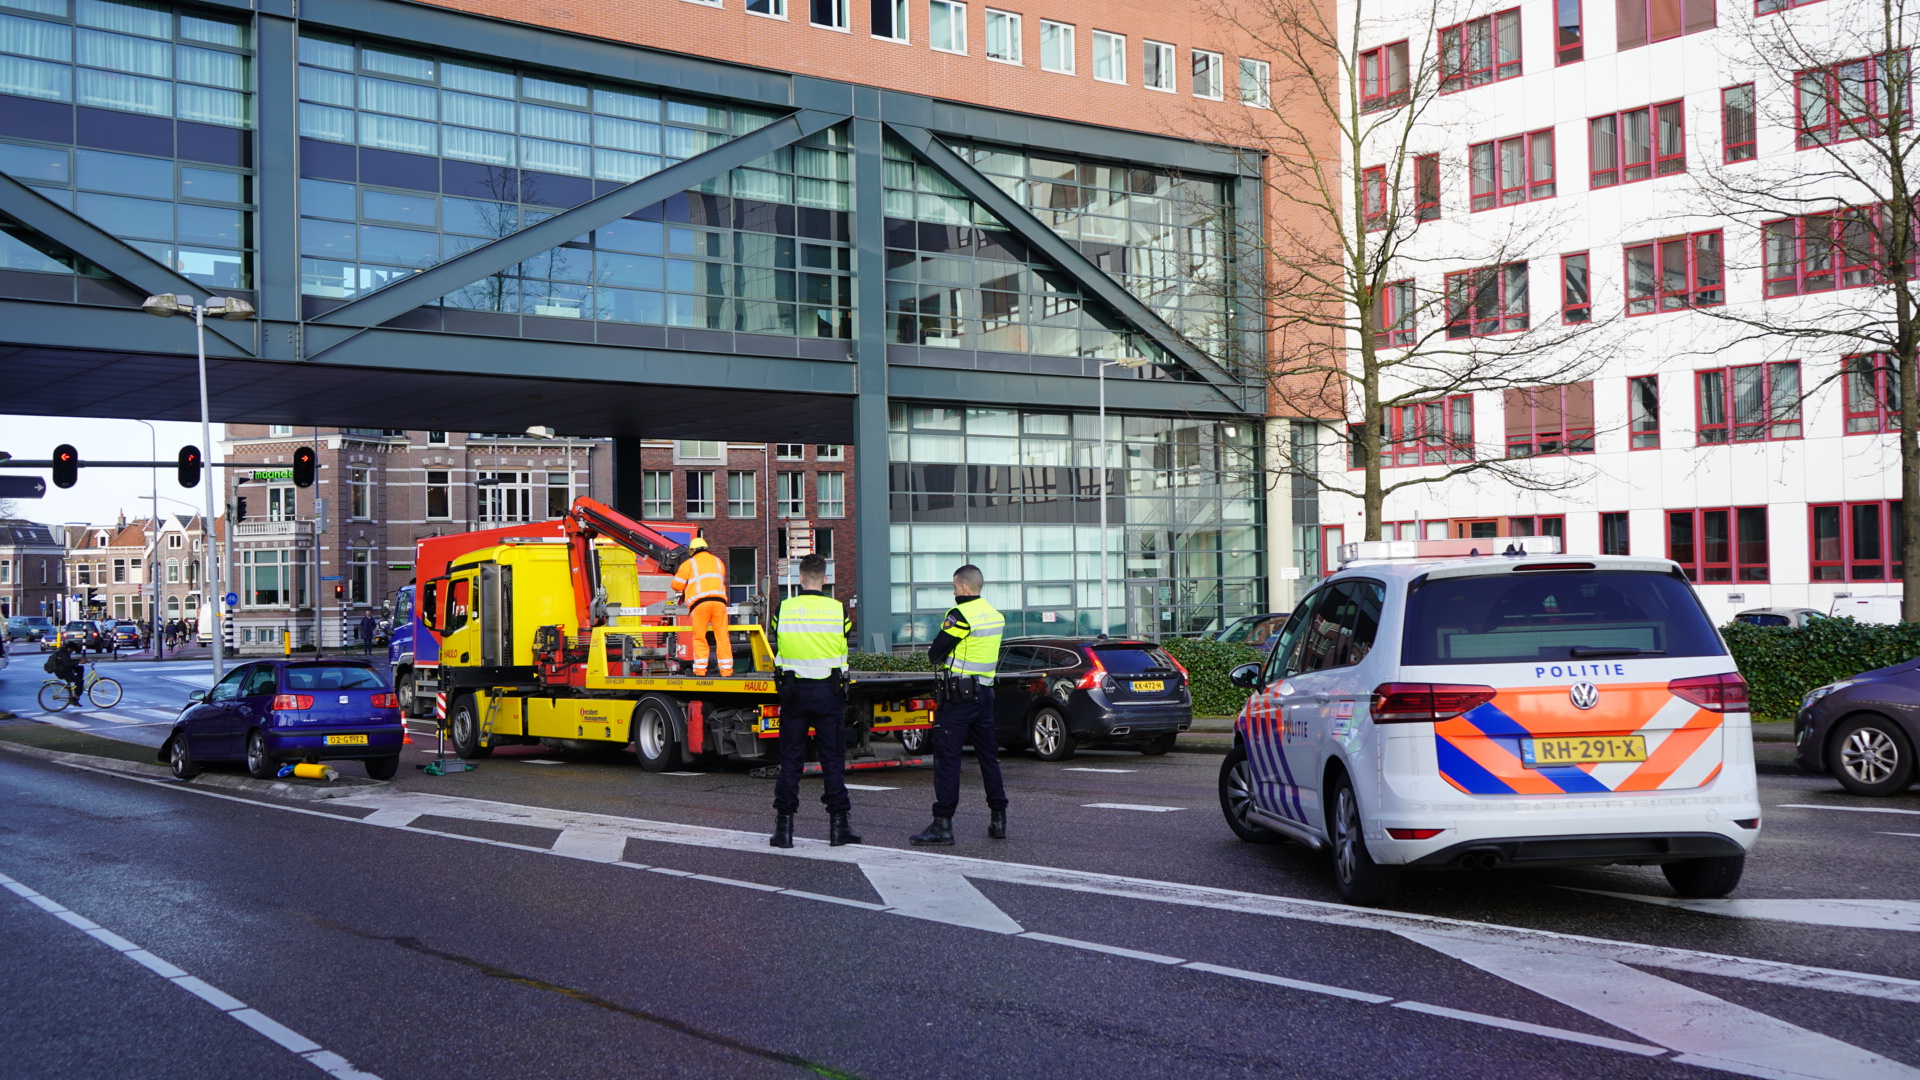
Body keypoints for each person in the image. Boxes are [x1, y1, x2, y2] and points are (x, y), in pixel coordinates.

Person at [911, 564, 1008, 846]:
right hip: (985, 696)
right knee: (989, 758)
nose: (954, 591)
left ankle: (943, 825)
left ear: (965, 588)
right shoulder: (994, 615)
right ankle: (998, 819)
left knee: (948, 760)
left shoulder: (960, 615)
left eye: (954, 587)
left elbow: (934, 653)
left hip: (958, 698)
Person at [768, 554, 860, 849]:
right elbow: (846, 635)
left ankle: (784, 831)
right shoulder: (837, 610)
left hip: (794, 693)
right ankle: (838, 828)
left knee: (790, 761)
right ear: (825, 578)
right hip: (828, 692)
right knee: (832, 761)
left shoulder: (784, 608)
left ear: (800, 578)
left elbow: (775, 634)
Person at [670, 537, 732, 677]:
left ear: (692, 551)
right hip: (719, 603)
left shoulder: (689, 563)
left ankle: (700, 670)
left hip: (700, 605)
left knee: (700, 637)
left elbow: (677, 585)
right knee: (722, 637)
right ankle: (726, 670)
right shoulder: (718, 561)